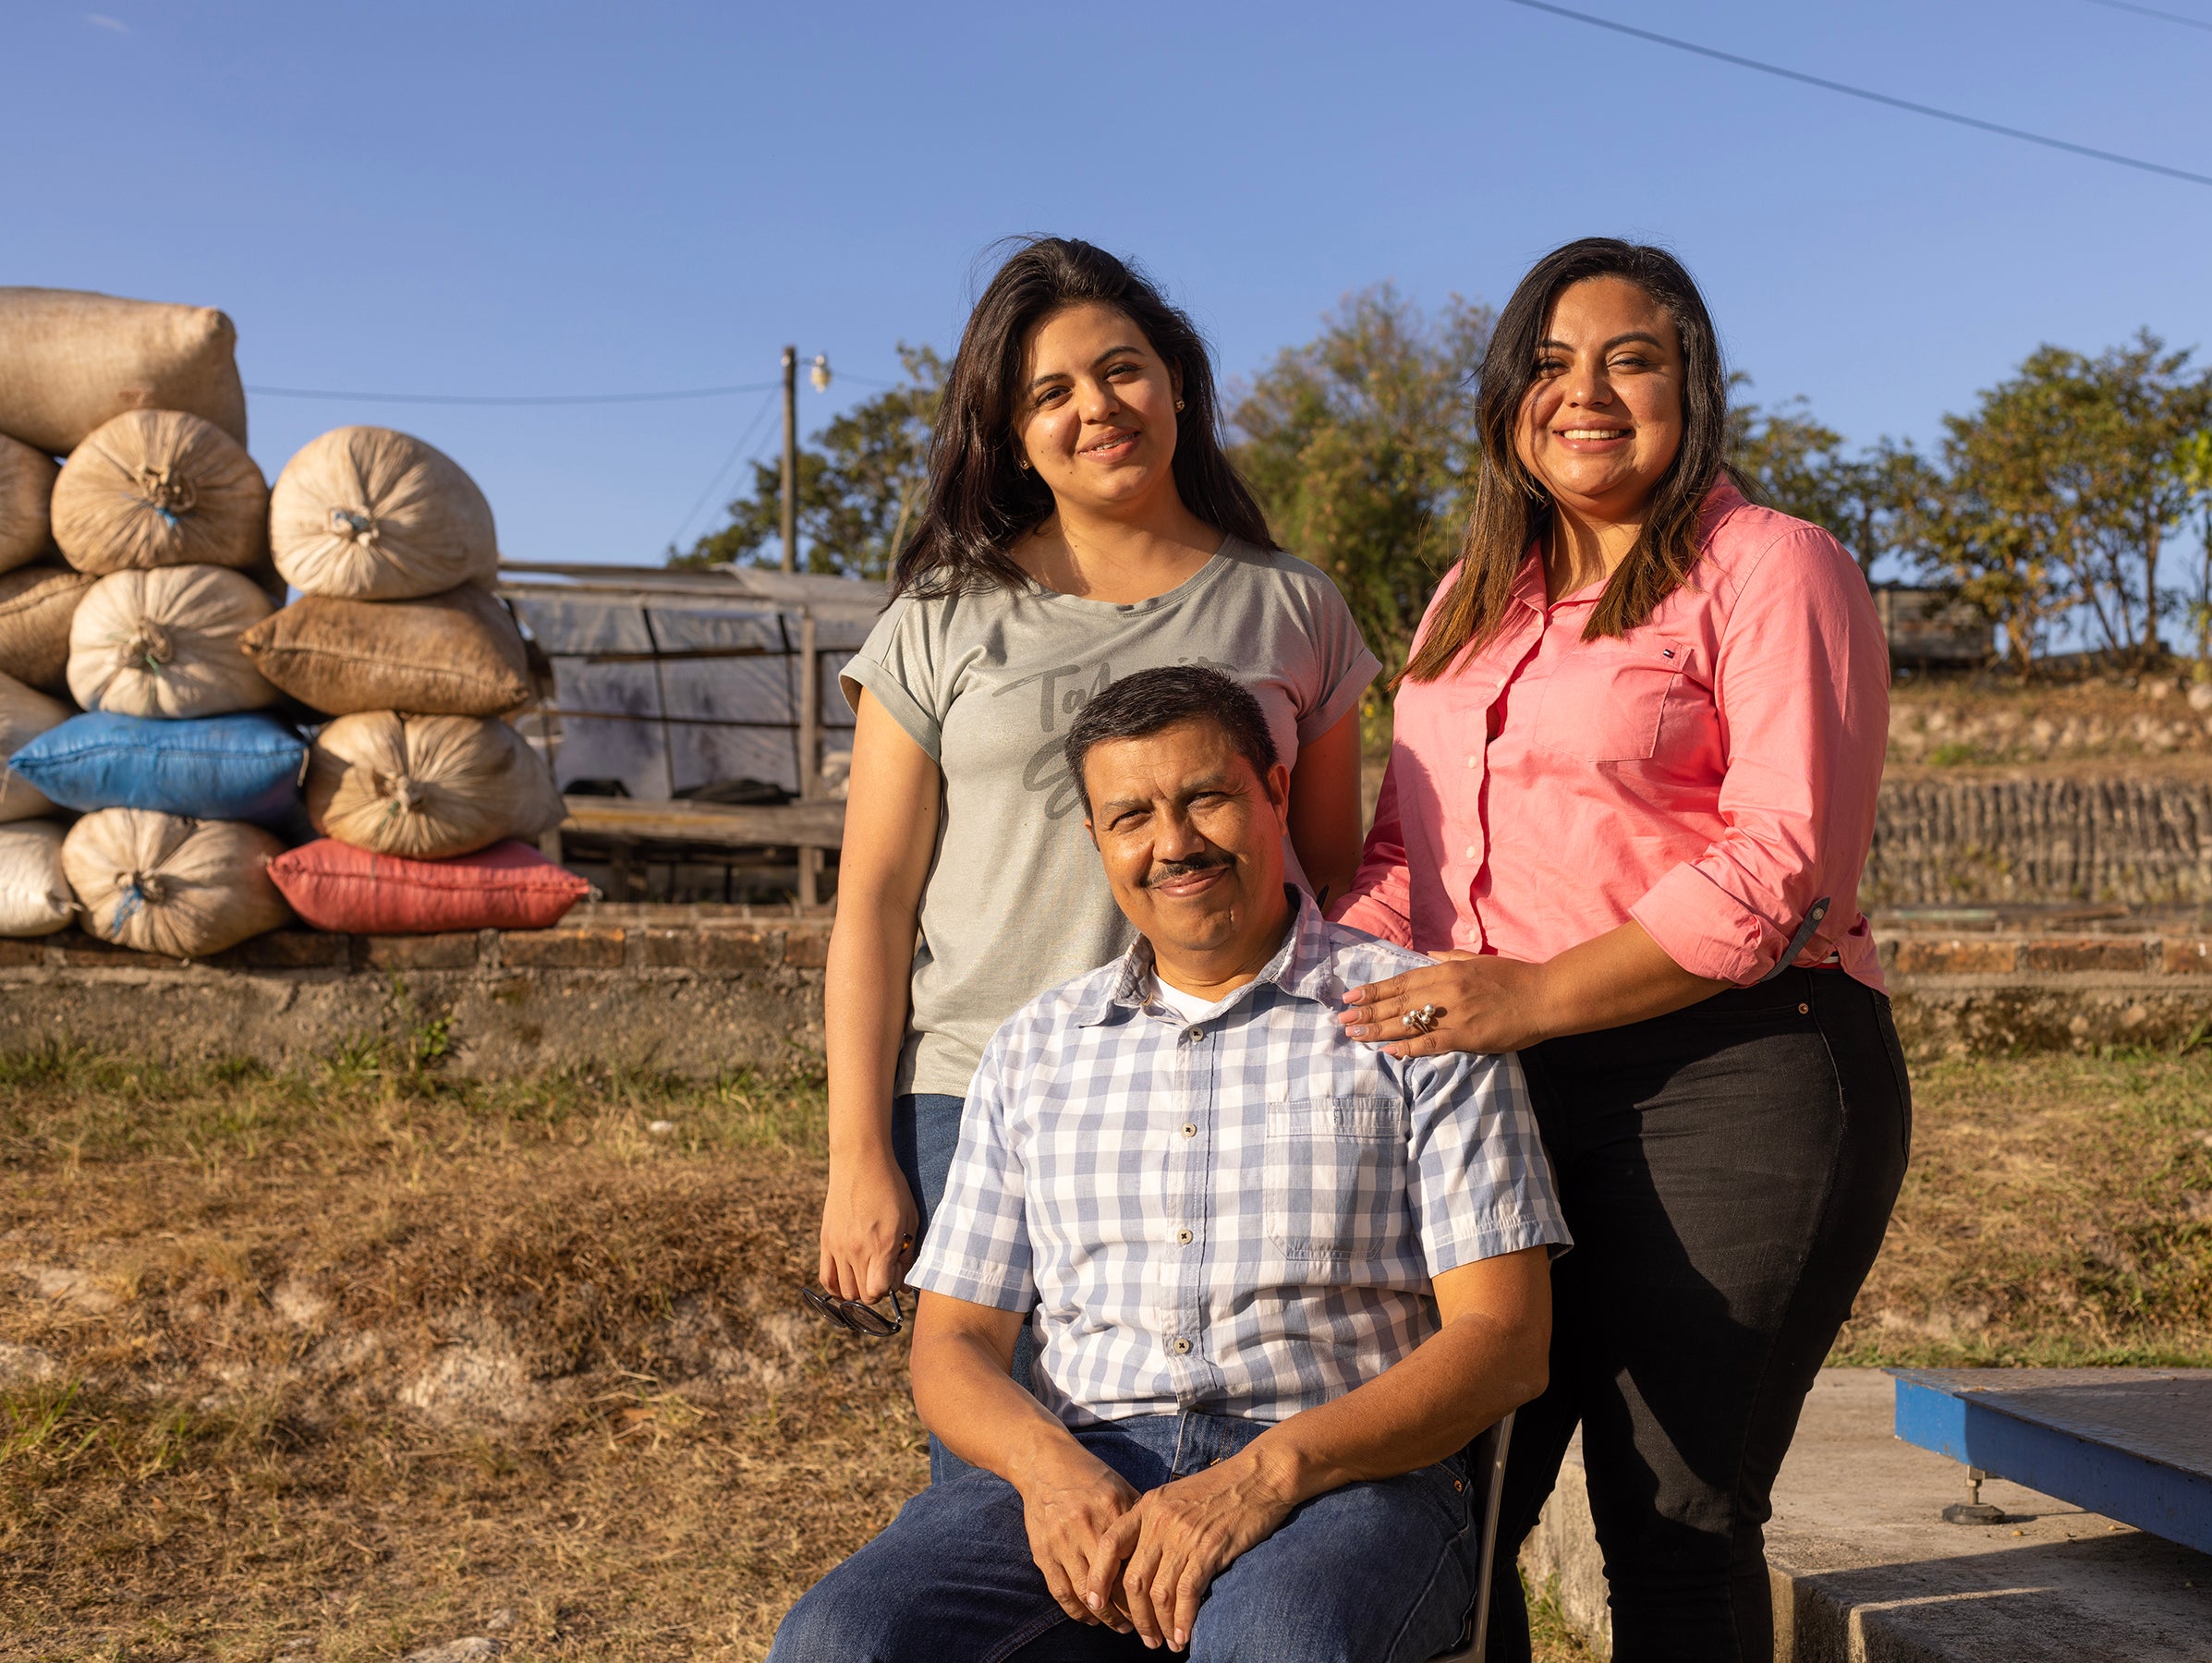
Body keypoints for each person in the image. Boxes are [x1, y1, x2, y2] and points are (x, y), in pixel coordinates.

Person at [1329, 237, 1912, 1663]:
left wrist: (1531, 992)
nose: (1582, 393)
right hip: (1498, 1089)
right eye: (1545, 362)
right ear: (1503, 400)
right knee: (1449, 1497)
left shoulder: (1770, 567)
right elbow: (1407, 858)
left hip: (1733, 1073)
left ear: (1688, 386)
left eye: (1627, 358)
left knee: (1670, 1509)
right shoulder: (1466, 601)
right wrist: (1310, 992)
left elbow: (1782, 860)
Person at [769, 666, 1570, 1663]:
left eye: (1205, 798)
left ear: (1273, 794)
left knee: (1276, 1641)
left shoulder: (1414, 1018)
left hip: (1346, 1480)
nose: (1173, 843)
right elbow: (954, 1344)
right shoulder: (1034, 1048)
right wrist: (1046, 1470)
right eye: (1131, 816)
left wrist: (1267, 1474)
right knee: (842, 1640)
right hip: (1090, 1466)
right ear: (1096, 841)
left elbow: (1502, 1339)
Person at [819, 238, 1380, 1477]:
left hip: (1244, 1094)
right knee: (1013, 1493)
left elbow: (1331, 877)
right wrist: (857, 1152)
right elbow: (871, 902)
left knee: (1224, 1481)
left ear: (1175, 383)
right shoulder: (940, 617)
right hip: (976, 1101)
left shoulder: (1295, 610)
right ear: (1010, 437)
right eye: (1048, 394)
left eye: (1119, 370)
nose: (1094, 409)